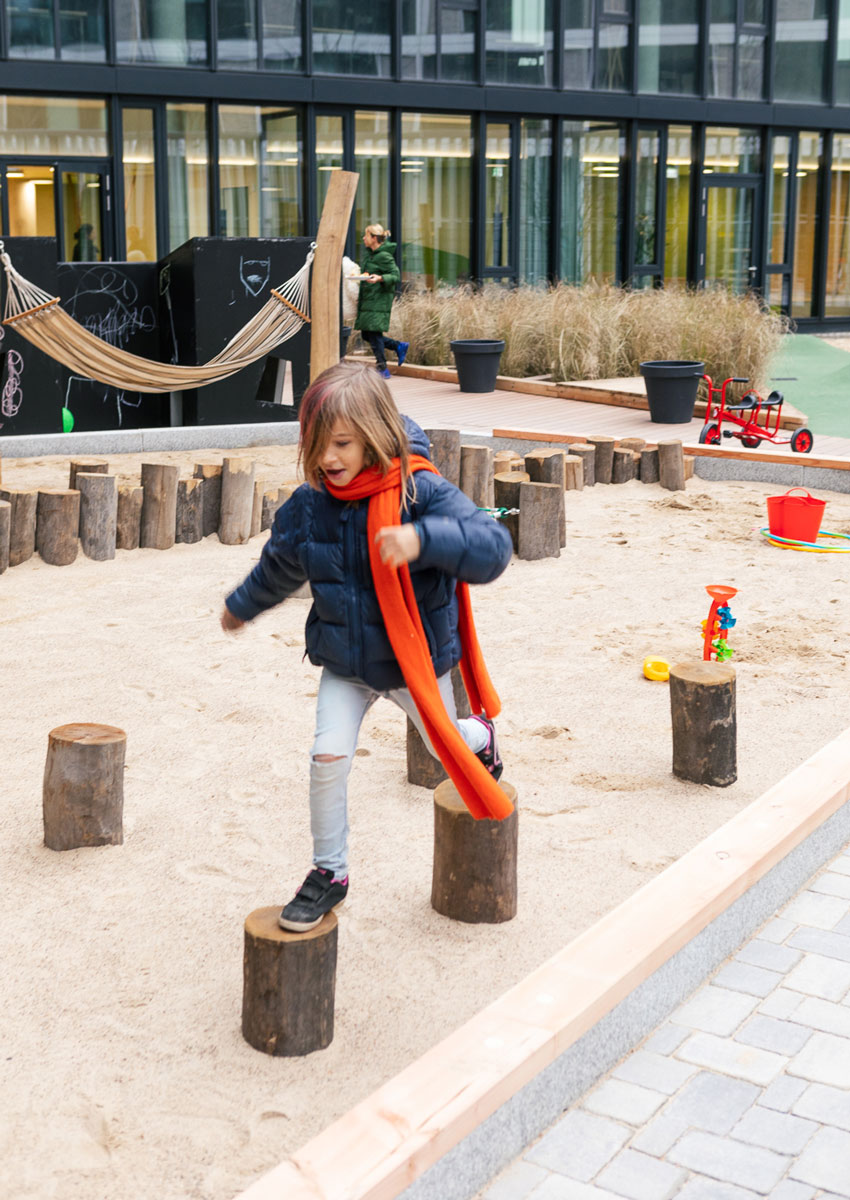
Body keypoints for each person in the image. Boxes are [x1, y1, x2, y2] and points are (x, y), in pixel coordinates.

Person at [221, 360, 513, 932]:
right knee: (327, 758)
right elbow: (279, 567)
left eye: (343, 444)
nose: (328, 458)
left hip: (413, 663)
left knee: (445, 745)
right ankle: (329, 872)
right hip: (347, 665)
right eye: (317, 445)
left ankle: (481, 734)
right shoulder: (310, 506)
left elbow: (492, 546)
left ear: (376, 435)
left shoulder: (418, 489)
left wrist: (423, 538)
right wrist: (242, 606)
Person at [355, 224, 409, 380]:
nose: (363, 239)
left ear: (373, 238)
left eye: (366, 236)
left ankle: (382, 368)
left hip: (378, 300)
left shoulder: (384, 256)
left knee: (374, 333)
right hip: (369, 299)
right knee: (367, 334)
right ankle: (398, 346)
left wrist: (379, 278)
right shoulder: (371, 254)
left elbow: (395, 275)